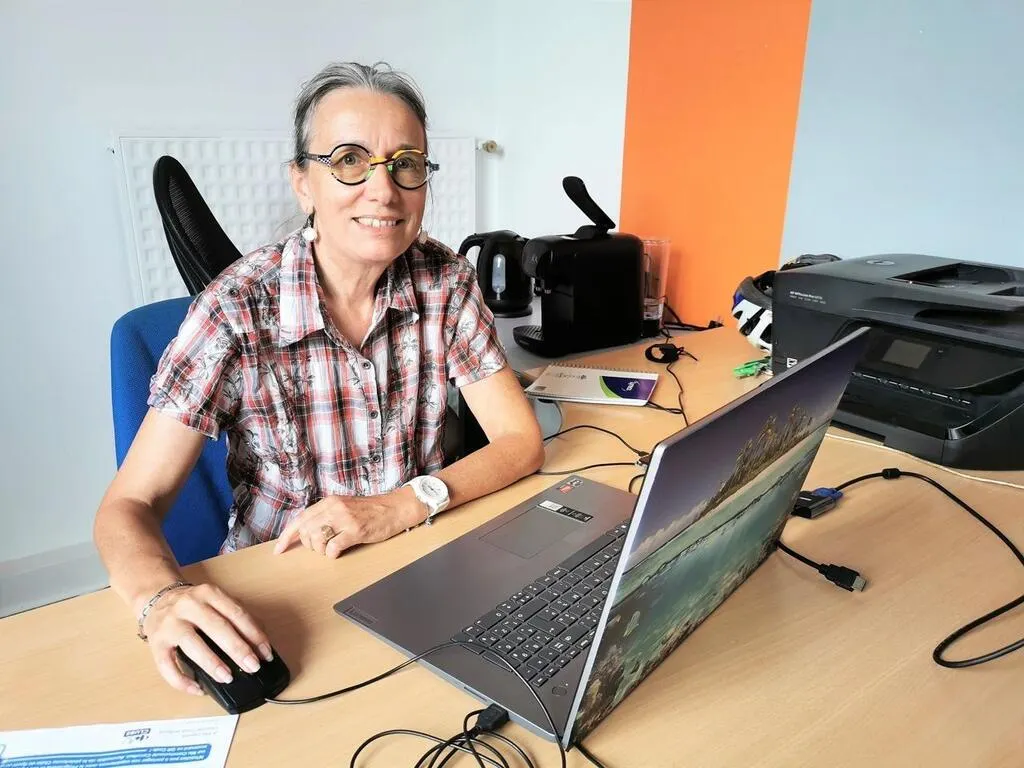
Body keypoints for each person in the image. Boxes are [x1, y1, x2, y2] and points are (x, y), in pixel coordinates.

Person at [93, 61, 545, 697]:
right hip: (288, 591)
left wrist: (405, 504)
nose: (383, 190)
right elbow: (126, 507)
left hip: (418, 560)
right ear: (302, 182)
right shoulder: (235, 311)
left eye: (406, 164)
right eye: (349, 160)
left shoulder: (445, 281)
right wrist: (158, 599)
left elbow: (520, 441)